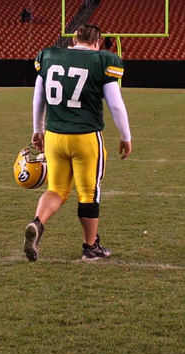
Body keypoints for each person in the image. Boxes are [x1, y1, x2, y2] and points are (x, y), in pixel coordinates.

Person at [24, 24, 131, 262]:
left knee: (56, 189)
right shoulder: (101, 61)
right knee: (88, 194)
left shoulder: (50, 56)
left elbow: (38, 95)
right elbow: (115, 104)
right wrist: (126, 135)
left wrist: (37, 129)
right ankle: (90, 247)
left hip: (54, 135)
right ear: (98, 42)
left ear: (74, 38)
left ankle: (37, 223)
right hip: (85, 137)